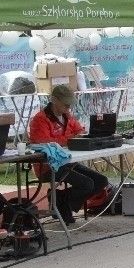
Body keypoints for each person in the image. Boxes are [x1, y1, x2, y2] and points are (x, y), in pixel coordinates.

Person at [29, 85, 109, 224]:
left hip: (68, 161)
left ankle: (61, 201)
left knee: (101, 180)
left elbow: (80, 132)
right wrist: (70, 139)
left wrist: (76, 137)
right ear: (54, 100)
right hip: (48, 166)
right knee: (87, 184)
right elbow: (45, 142)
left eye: (69, 103)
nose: (69, 106)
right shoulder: (40, 119)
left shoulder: (67, 116)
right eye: (65, 103)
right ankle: (62, 204)